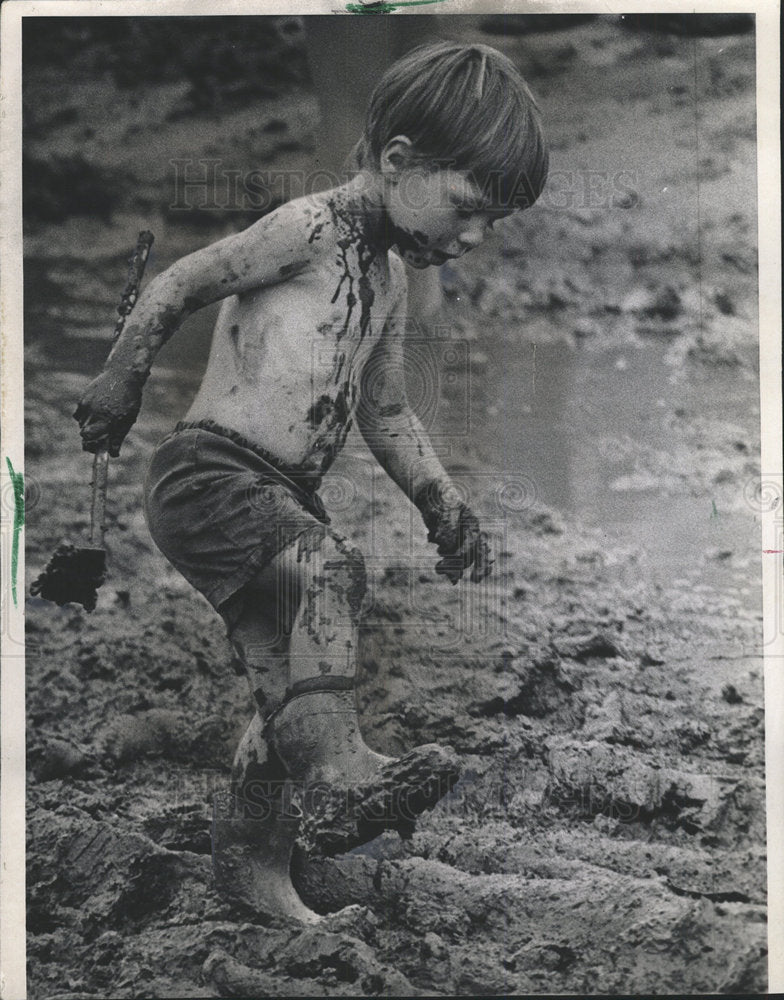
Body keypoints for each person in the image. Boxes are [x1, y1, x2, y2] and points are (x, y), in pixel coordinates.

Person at [74, 41, 549, 923]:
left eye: (492, 224)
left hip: (277, 498)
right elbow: (183, 280)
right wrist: (122, 377)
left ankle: (254, 867)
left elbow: (387, 411)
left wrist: (442, 502)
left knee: (287, 690)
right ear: (398, 160)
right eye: (467, 209)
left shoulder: (390, 278)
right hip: (210, 472)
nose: (473, 238)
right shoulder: (308, 230)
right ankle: (342, 775)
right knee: (330, 570)